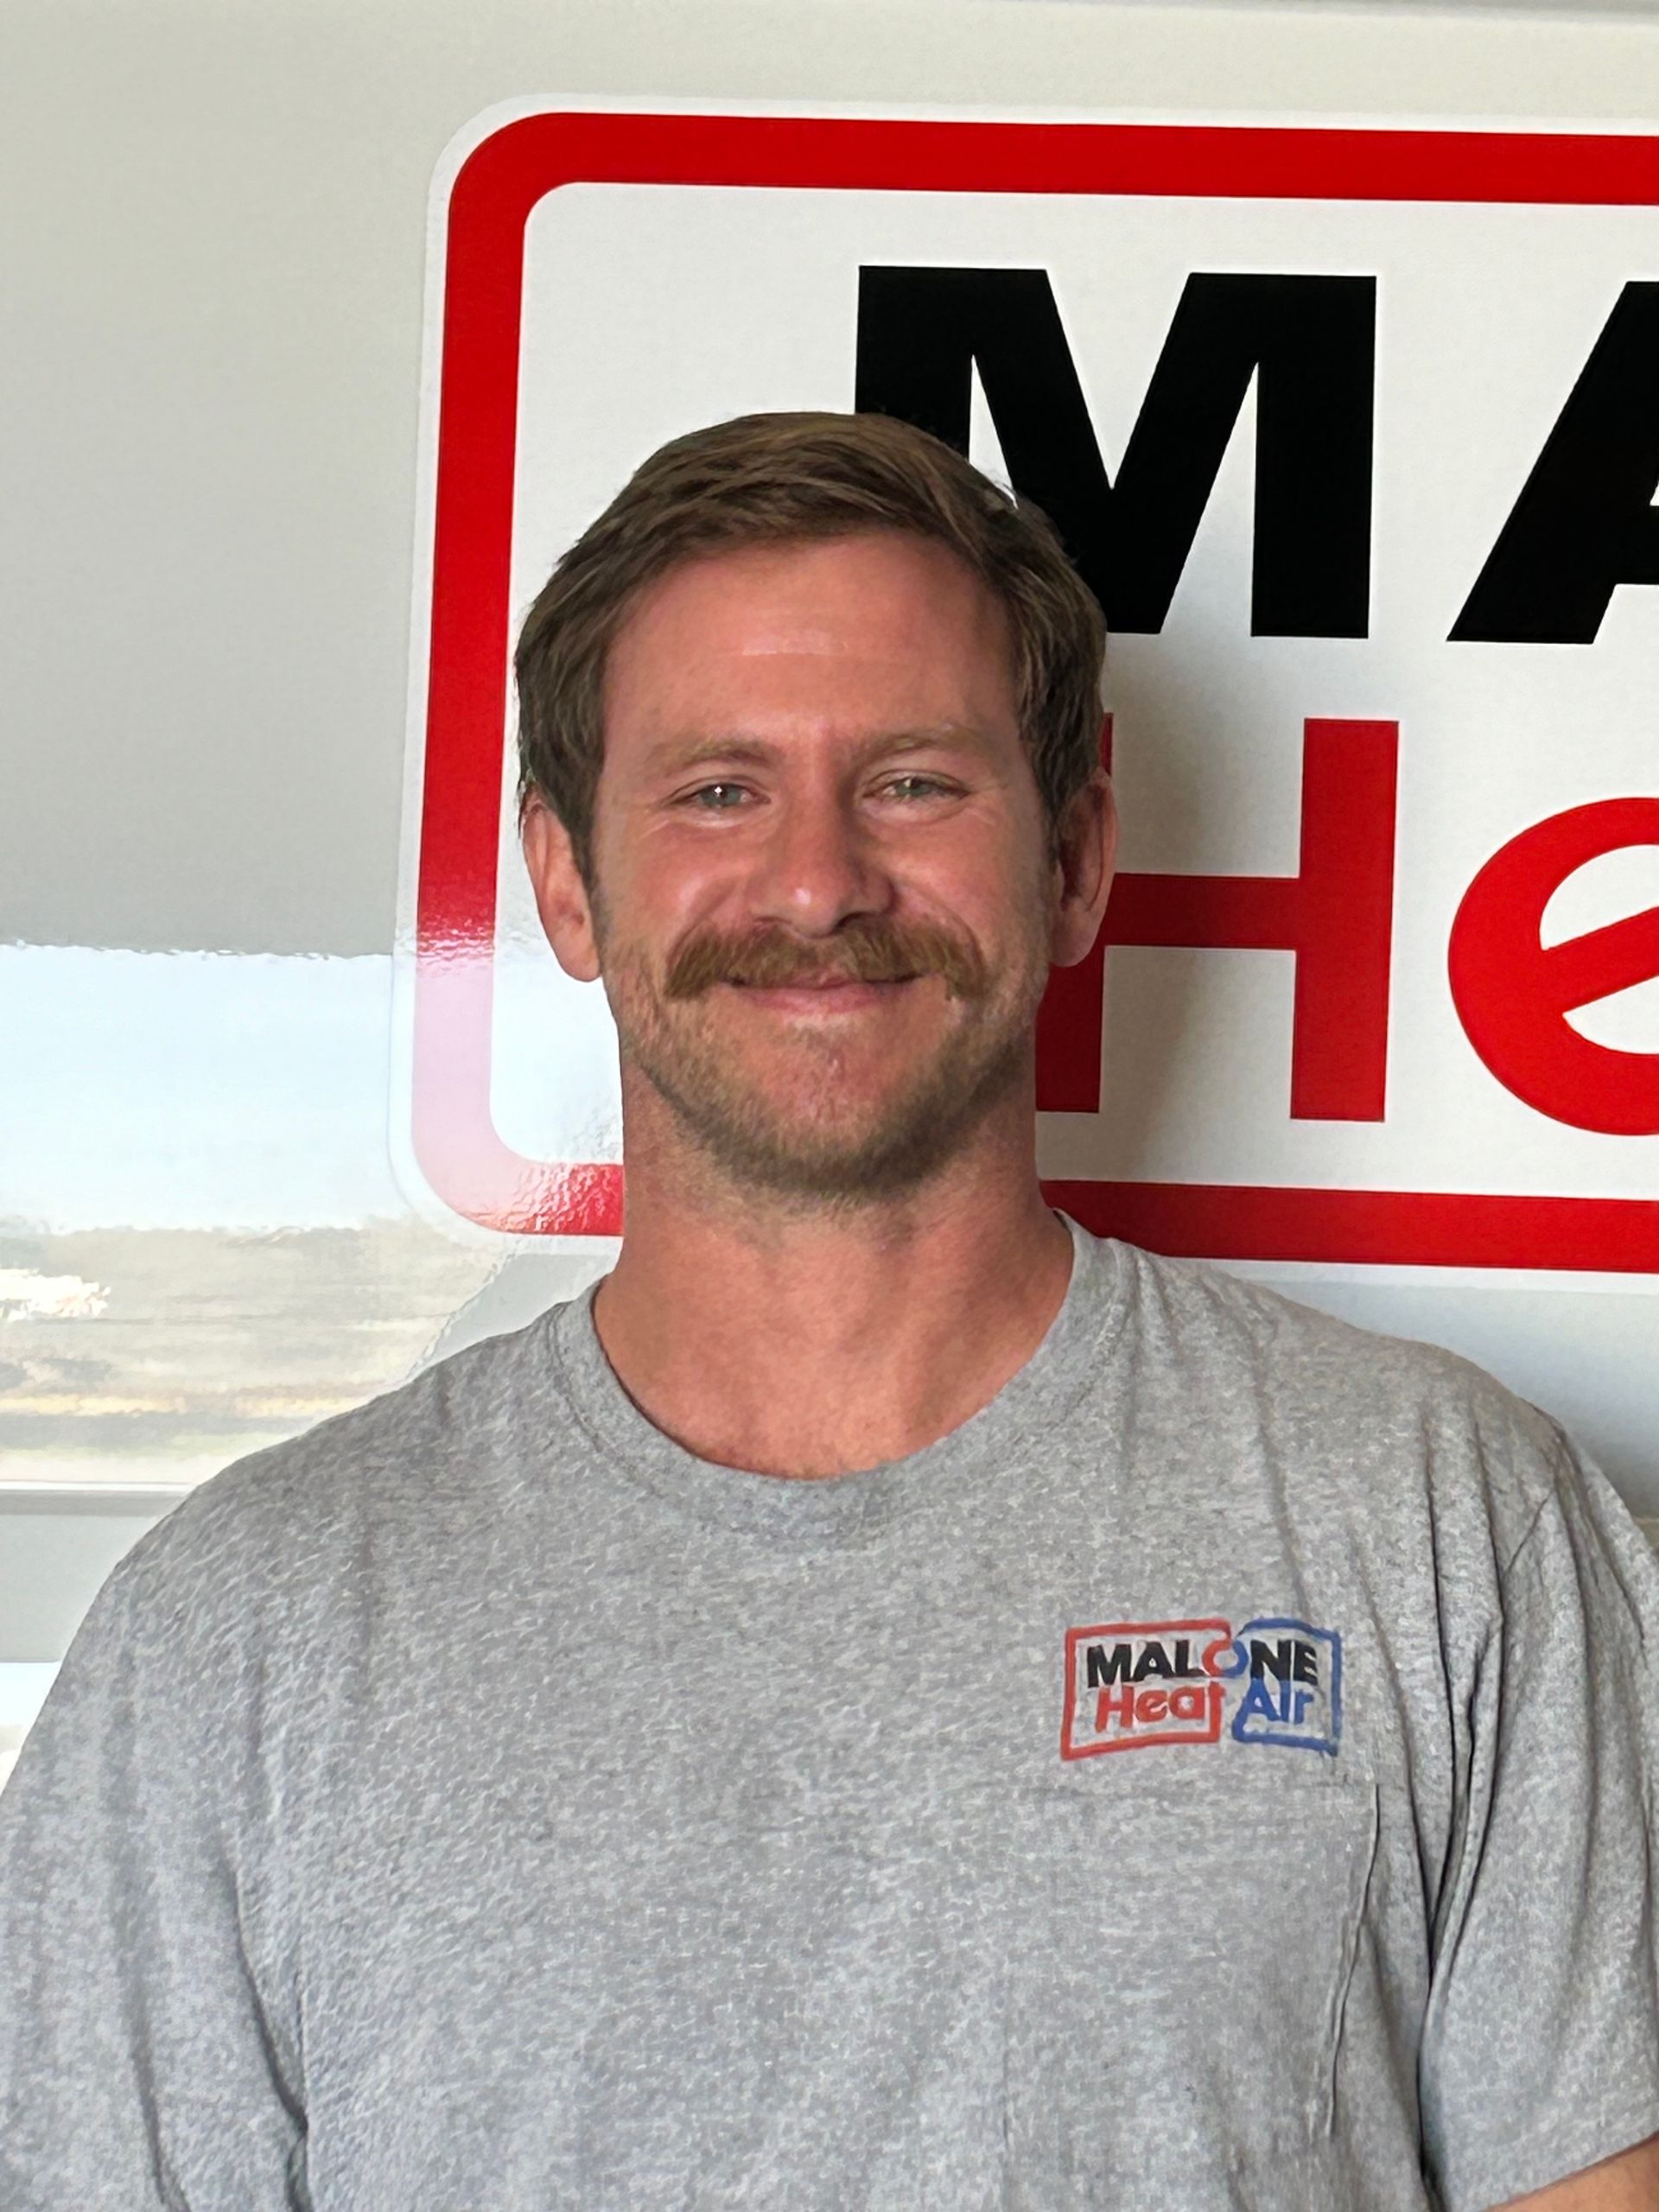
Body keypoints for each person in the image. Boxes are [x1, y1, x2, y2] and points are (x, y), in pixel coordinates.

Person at [3, 411, 1658, 2212]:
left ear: (1079, 857)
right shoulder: (242, 1634)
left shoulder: (1434, 1520)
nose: (815, 883)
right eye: (718, 788)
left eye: (915, 782)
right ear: (564, 878)